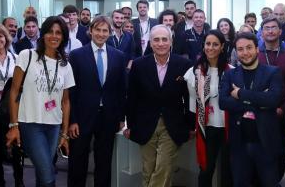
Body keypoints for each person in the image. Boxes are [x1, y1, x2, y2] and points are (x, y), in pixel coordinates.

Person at [6, 16, 75, 187]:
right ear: (42, 34)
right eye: (50, 31)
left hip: (53, 125)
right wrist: (14, 125)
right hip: (30, 123)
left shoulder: (65, 65)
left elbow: (65, 102)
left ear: (64, 37)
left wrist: (65, 134)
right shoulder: (27, 55)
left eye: (58, 32)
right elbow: (14, 91)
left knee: (41, 170)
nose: (54, 36)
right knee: (47, 175)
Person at [124, 25, 193, 187]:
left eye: (164, 39)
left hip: (173, 123)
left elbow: (190, 97)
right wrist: (130, 125)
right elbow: (132, 97)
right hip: (145, 123)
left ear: (171, 42)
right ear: (150, 42)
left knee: (164, 166)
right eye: (156, 39)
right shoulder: (139, 65)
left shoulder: (184, 64)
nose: (160, 43)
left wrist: (191, 125)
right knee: (149, 169)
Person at [67, 16, 127, 187]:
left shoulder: (118, 56)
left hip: (108, 117)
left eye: (105, 30)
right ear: (91, 31)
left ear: (110, 33)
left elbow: (122, 90)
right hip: (82, 117)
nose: (101, 34)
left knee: (104, 161)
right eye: (98, 30)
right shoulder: (77, 55)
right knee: (78, 161)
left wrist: (121, 117)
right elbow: (71, 91)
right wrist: (72, 120)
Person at [219, 32, 283, 187]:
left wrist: (240, 93)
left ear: (257, 49)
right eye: (240, 49)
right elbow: (223, 102)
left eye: (249, 48)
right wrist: (259, 99)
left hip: (265, 141)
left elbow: (273, 100)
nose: (245, 53)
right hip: (239, 142)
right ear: (236, 52)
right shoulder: (230, 74)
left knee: (269, 183)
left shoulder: (272, 72)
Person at [185, 30, 233, 187]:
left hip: (228, 128)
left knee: (228, 171)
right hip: (206, 128)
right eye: (208, 44)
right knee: (206, 170)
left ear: (222, 47)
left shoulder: (231, 71)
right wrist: (192, 127)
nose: (211, 48)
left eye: (215, 44)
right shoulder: (195, 72)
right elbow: (192, 103)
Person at [0, 24, 23, 187]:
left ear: (6, 38)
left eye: (0, 36)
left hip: (11, 109)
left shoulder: (15, 58)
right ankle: (0, 182)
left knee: (16, 149)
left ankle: (19, 181)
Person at [258, 15, 285, 179]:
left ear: (280, 31)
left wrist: (283, 109)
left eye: (274, 28)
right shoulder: (255, 55)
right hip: (259, 113)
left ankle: (276, 181)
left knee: (280, 151)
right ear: (262, 32)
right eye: (267, 28)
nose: (270, 31)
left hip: (283, 113)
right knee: (260, 151)